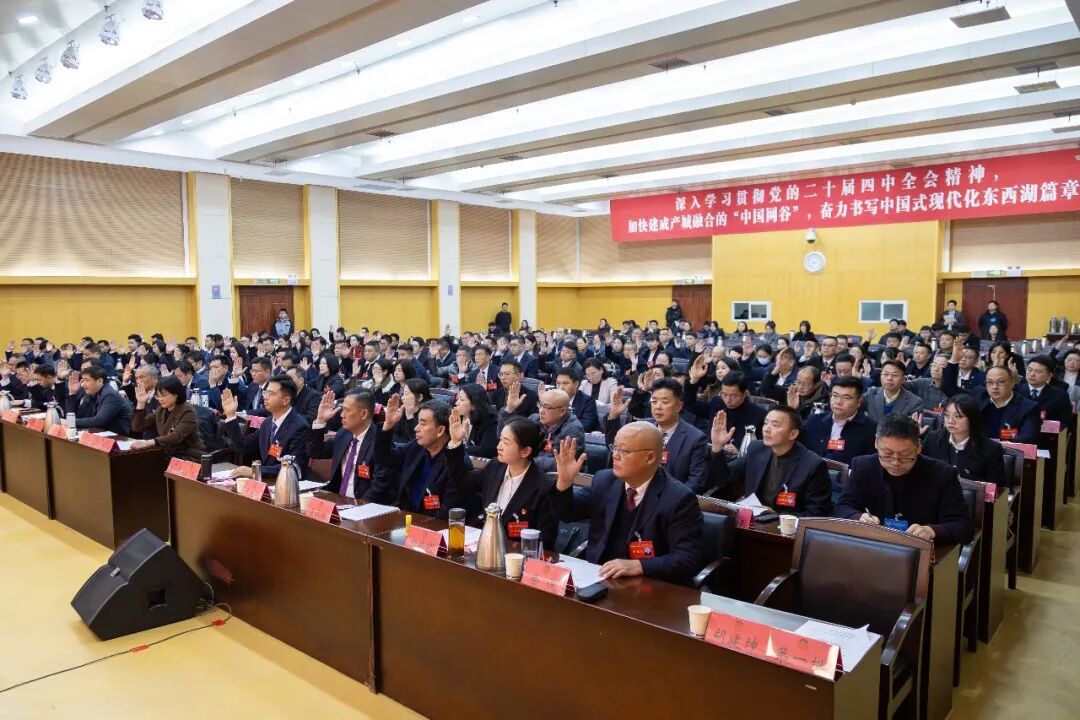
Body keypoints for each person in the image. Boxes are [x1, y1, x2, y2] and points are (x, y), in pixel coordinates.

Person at [550, 428, 705, 585]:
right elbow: (566, 514)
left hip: (649, 584)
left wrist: (639, 566)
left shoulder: (678, 498)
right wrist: (564, 482)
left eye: (623, 451)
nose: (615, 455)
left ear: (650, 457)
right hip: (599, 576)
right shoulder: (605, 480)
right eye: (615, 448)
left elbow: (687, 559)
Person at [834, 415, 974, 544]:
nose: (895, 462)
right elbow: (842, 507)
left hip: (920, 552)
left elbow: (963, 527)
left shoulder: (943, 474)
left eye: (905, 456)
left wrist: (931, 531)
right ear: (876, 443)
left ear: (918, 447)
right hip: (873, 547)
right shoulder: (863, 466)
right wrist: (858, 517)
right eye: (887, 455)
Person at [446, 414, 558, 542]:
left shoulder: (543, 487)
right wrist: (455, 442)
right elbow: (462, 481)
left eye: (506, 442)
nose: (499, 446)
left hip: (517, 551)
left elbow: (546, 539)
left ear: (525, 451)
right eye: (500, 440)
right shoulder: (496, 466)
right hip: (486, 544)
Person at [709, 406, 832, 516]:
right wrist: (717, 447)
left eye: (775, 425)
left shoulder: (813, 465)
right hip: (751, 520)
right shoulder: (756, 449)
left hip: (784, 529)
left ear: (793, 434)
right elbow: (724, 478)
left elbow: (816, 514)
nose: (766, 429)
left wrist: (776, 515)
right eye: (766, 423)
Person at [604, 376, 709, 492]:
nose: (658, 407)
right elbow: (613, 447)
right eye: (654, 401)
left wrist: (672, 499)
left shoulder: (695, 438)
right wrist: (613, 416)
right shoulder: (642, 427)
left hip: (671, 498)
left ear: (679, 406)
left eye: (664, 402)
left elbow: (696, 481)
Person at [370, 396, 458, 518]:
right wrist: (388, 425)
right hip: (405, 516)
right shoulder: (416, 447)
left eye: (423, 423)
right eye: (418, 423)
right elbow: (383, 458)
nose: (416, 428)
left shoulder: (456, 463)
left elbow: (446, 514)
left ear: (440, 430)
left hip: (432, 524)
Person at [942, 341, 1041, 444]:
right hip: (976, 449)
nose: (994, 387)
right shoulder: (979, 395)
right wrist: (954, 360)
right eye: (990, 382)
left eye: (1000, 382)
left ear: (1012, 383)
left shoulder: (1028, 407)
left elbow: (1028, 438)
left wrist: (994, 447)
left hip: (1007, 451)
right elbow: (949, 388)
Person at [222, 377, 310, 480]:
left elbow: (293, 467)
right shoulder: (267, 423)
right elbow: (243, 445)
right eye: (266, 392)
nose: (265, 397)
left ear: (286, 400)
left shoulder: (300, 427)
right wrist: (231, 415)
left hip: (288, 483)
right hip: (267, 480)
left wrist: (256, 470)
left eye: (271, 394)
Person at [307, 389, 381, 499]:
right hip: (339, 499)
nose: (342, 415)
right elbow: (315, 451)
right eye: (342, 410)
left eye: (347, 410)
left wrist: (357, 506)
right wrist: (320, 420)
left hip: (363, 504)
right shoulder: (344, 434)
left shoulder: (380, 443)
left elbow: (378, 488)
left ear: (364, 414)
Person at [921, 394, 1007, 488]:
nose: (950, 421)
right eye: (947, 415)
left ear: (972, 419)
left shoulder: (991, 449)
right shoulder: (932, 438)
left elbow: (996, 489)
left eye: (957, 416)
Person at [799, 376, 877, 466]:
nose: (839, 402)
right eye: (835, 396)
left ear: (859, 402)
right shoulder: (814, 421)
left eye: (846, 397)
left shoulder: (871, 428)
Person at [502, 387, 584, 473]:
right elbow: (510, 436)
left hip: (556, 476)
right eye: (540, 405)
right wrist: (509, 410)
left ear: (562, 411)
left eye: (546, 407)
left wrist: (525, 458)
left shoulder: (573, 429)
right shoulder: (534, 419)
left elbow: (562, 463)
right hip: (531, 470)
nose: (541, 411)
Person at [683, 365, 765, 449]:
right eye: (724, 394)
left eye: (733, 396)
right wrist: (693, 382)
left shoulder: (759, 414)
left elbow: (762, 447)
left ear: (745, 394)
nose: (728, 400)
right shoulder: (717, 403)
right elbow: (690, 405)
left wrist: (739, 451)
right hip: (711, 452)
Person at [129, 375, 206, 460]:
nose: (160, 399)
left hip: (190, 455)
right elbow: (138, 427)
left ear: (176, 394)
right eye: (158, 396)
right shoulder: (161, 409)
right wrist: (141, 403)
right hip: (169, 453)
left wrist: (150, 442)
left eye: (163, 395)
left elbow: (176, 437)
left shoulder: (188, 411)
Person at [64, 363, 132, 436]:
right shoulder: (91, 394)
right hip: (98, 434)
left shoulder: (110, 395)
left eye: (87, 380)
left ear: (99, 381)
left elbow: (99, 420)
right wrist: (72, 393)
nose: (83, 384)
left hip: (118, 437)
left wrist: (70, 422)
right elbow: (77, 416)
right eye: (83, 380)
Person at [1018, 355, 1073, 425]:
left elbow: (1065, 421)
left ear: (1049, 375)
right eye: (1029, 370)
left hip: (1047, 431)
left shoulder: (1060, 395)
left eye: (1038, 371)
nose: (1032, 374)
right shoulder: (1015, 390)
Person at [453, 383, 499, 458]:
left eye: (461, 400)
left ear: (474, 404)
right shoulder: (458, 417)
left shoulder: (491, 421)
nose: (457, 403)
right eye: (458, 399)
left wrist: (457, 448)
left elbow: (487, 451)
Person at [554, 366, 599, 433]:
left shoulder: (588, 401)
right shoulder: (553, 399)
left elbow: (585, 426)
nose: (561, 388)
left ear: (576, 384)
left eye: (565, 383)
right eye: (558, 383)